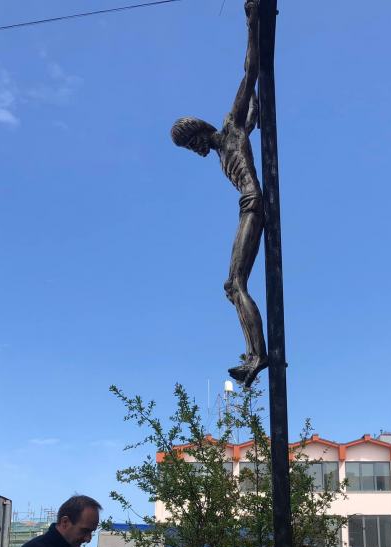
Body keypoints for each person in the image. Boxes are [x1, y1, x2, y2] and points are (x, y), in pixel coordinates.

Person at [170, 0, 268, 388]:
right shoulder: (221, 148)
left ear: (199, 132)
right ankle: (253, 353)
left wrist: (251, 21)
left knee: (234, 284)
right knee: (231, 286)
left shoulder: (230, 130)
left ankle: (258, 356)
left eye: (191, 142)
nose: (195, 150)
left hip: (252, 203)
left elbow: (250, 72)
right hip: (248, 204)